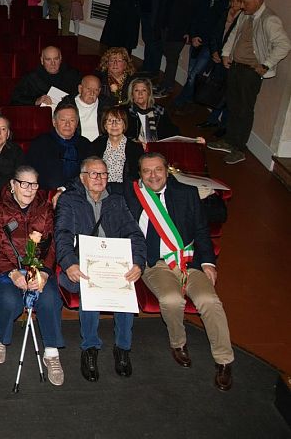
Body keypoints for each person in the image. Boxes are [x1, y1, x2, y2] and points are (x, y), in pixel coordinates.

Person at [123, 153, 234, 391]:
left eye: (158, 170)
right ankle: (178, 343)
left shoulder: (186, 193)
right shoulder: (131, 193)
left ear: (167, 171)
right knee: (171, 300)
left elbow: (202, 230)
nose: (153, 176)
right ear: (139, 174)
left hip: (190, 261)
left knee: (209, 301)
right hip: (155, 264)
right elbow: (96, 180)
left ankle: (224, 360)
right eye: (146, 171)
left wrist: (209, 263)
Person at [54, 156, 145, 382]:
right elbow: (62, 235)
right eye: (94, 174)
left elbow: (134, 233)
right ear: (83, 178)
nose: (99, 178)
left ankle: (122, 347)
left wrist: (138, 262)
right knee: (89, 289)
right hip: (80, 264)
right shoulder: (69, 200)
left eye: (103, 174)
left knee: (125, 286)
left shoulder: (117, 201)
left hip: (113, 263)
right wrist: (69, 263)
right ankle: (90, 348)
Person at [0, 165, 64, 385]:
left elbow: (52, 245)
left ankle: (51, 352)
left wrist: (44, 273)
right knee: (11, 300)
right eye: (24, 184)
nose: (29, 190)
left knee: (50, 299)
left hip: (37, 269)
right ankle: (0, 334)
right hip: (2, 269)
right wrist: (12, 273)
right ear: (13, 184)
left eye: (34, 185)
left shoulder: (45, 208)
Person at [210, 0, 290, 165]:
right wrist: (226, 54)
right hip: (235, 66)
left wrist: (266, 64)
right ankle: (229, 140)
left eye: (246, 3)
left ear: (257, 1)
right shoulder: (245, 15)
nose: (242, 6)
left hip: (250, 72)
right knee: (232, 105)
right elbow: (234, 35)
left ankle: (239, 148)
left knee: (244, 109)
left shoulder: (269, 19)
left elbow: (284, 44)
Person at [173, 0, 234, 111]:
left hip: (209, 45)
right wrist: (193, 35)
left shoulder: (228, 2)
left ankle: (182, 99)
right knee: (191, 72)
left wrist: (212, 46)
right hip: (197, 41)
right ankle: (189, 99)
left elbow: (219, 28)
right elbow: (196, 16)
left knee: (194, 74)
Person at [154, 0, 205, 98]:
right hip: (166, 27)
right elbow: (162, 5)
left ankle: (167, 87)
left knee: (172, 58)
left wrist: (190, 32)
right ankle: (165, 84)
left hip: (180, 31)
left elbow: (197, 12)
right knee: (168, 56)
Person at [197, 0, 245, 133]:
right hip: (219, 56)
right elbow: (215, 33)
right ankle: (213, 119)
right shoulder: (225, 14)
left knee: (228, 94)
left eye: (238, 1)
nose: (234, 3)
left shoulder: (244, 18)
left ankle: (224, 125)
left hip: (232, 61)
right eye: (233, 0)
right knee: (217, 90)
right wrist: (215, 51)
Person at [27, 103, 92, 191]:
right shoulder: (40, 144)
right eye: (63, 120)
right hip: (47, 194)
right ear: (54, 122)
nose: (67, 124)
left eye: (72, 120)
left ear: (77, 123)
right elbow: (30, 173)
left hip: (79, 193)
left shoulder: (86, 145)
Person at [10, 46, 82, 106]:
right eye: (48, 59)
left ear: (60, 59)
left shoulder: (73, 75)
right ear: (42, 60)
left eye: (56, 59)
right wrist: (36, 101)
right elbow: (16, 98)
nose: (53, 63)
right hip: (41, 114)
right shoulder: (31, 77)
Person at [90, 107, 144, 184]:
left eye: (118, 120)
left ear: (124, 125)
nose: (114, 124)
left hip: (127, 188)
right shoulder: (96, 145)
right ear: (105, 126)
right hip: (102, 187)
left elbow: (139, 175)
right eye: (110, 121)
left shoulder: (135, 148)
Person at [60, 75, 115, 142]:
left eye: (96, 90)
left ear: (99, 91)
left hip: (102, 144)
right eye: (88, 89)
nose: (92, 93)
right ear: (80, 89)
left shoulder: (107, 105)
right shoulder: (67, 104)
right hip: (74, 144)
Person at [124, 77, 180, 143]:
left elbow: (172, 132)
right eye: (136, 90)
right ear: (132, 94)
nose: (140, 93)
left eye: (144, 90)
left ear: (149, 93)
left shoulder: (160, 111)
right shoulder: (126, 113)